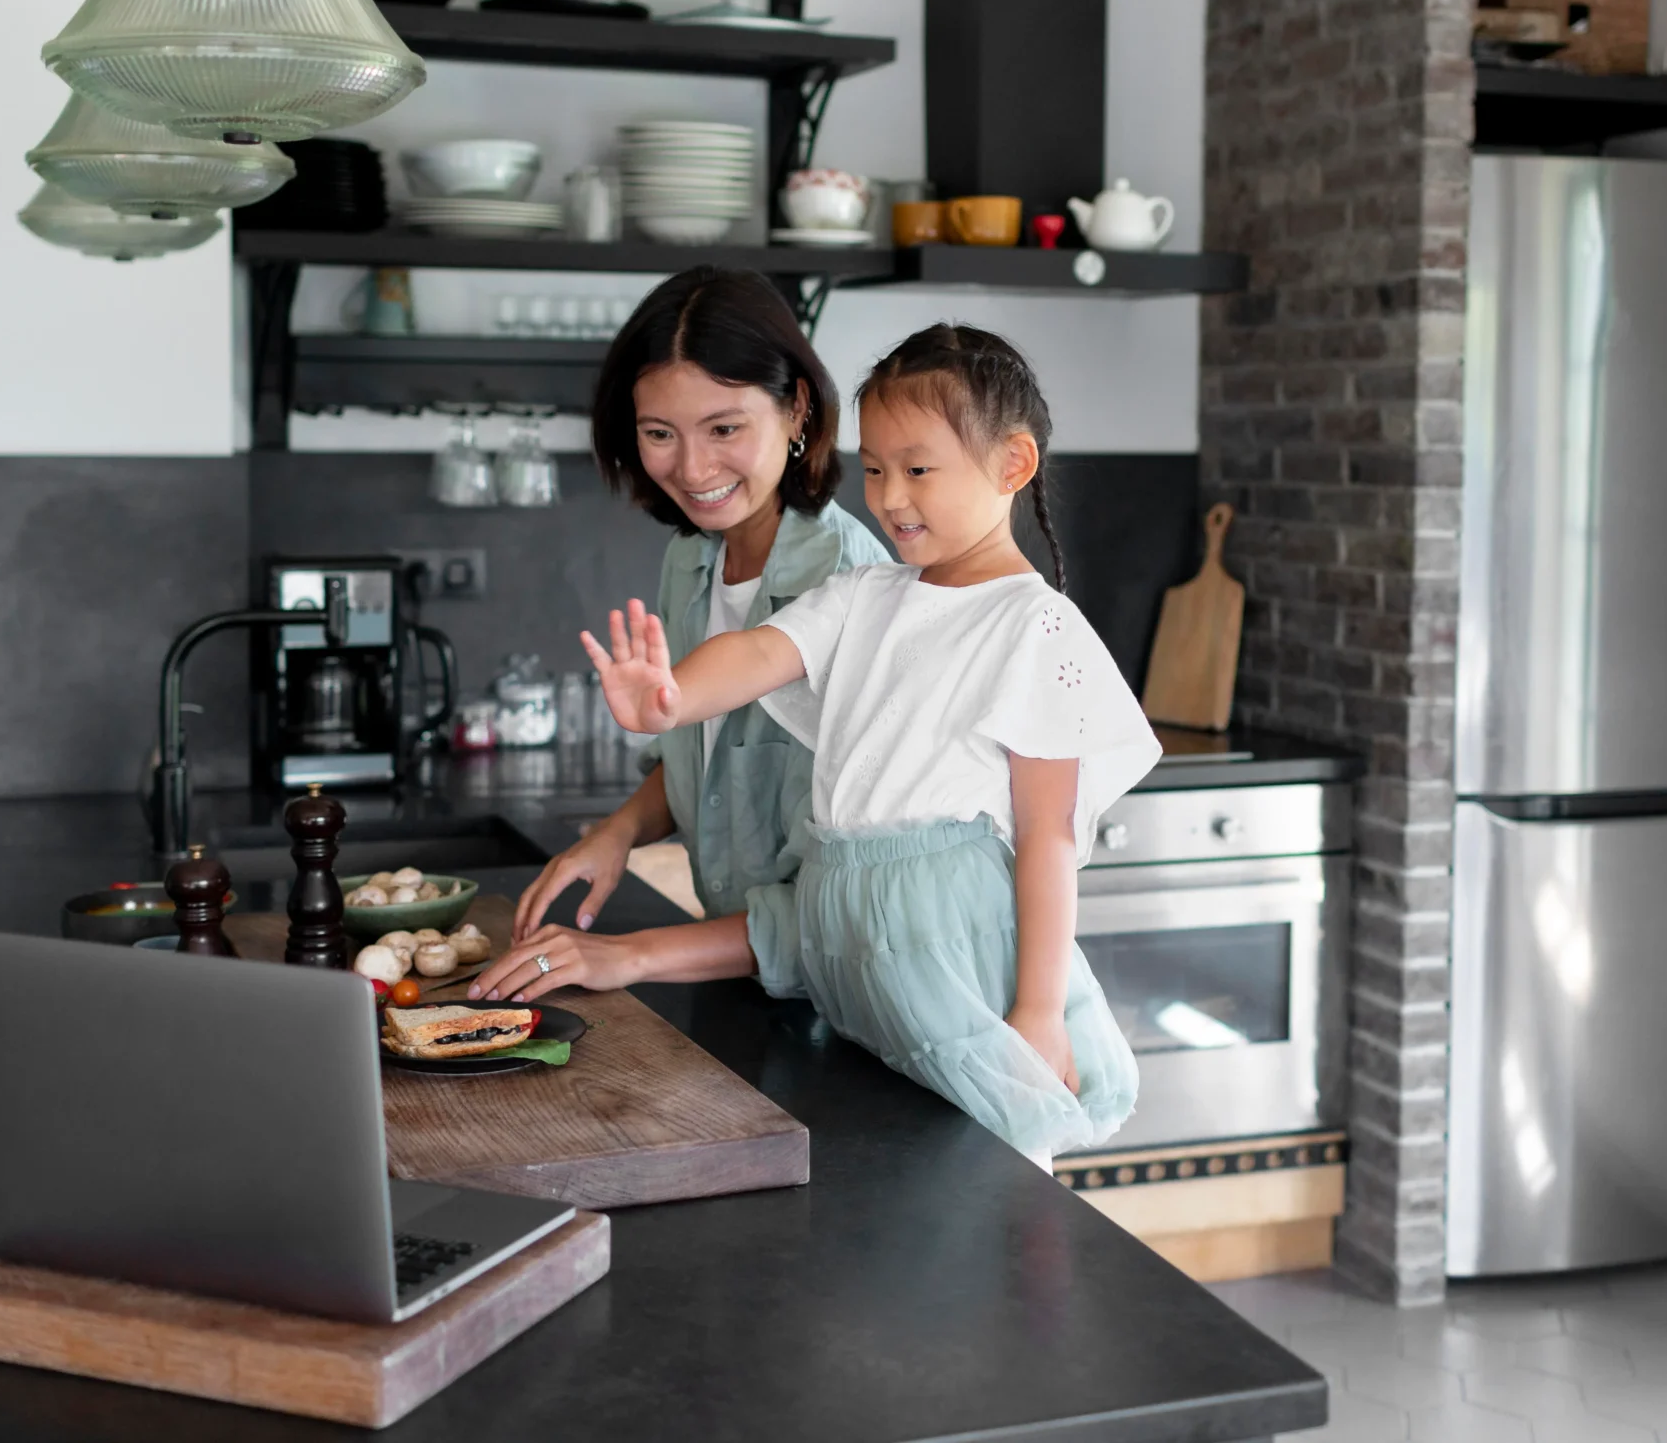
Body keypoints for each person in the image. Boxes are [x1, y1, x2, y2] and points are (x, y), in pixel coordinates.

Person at [475, 325, 1157, 1162]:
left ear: (1012, 466)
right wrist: (670, 699)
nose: (891, 497)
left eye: (918, 469)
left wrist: (1040, 1013)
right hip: (851, 962)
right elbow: (761, 652)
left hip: (962, 969)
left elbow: (1049, 836)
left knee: (990, 1187)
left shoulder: (1034, 625)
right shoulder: (864, 594)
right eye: (873, 469)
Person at [505, 266, 887, 942]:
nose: (692, 468)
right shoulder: (691, 559)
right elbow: (701, 768)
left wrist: (631, 955)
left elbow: (844, 904)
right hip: (749, 990)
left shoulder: (850, 585)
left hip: (846, 1005)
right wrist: (617, 833)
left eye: (723, 428)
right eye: (659, 433)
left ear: (797, 407)